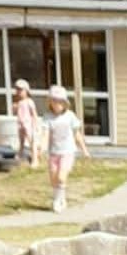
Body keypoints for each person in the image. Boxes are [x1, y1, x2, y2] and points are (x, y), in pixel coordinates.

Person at [44, 84, 89, 212]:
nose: (56, 104)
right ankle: (59, 196)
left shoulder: (70, 116)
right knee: (53, 177)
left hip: (67, 151)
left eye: (59, 101)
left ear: (64, 103)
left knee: (61, 176)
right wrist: (41, 147)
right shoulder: (48, 117)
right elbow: (45, 134)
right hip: (54, 152)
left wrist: (84, 150)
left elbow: (77, 134)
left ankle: (58, 201)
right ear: (50, 102)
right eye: (54, 101)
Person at [12, 79, 39, 167]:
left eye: (21, 90)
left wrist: (35, 124)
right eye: (17, 90)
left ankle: (35, 159)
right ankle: (19, 155)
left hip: (28, 124)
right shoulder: (19, 102)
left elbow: (34, 114)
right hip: (20, 124)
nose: (19, 92)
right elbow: (16, 113)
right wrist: (14, 108)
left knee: (31, 141)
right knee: (21, 141)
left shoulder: (29, 101)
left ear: (26, 91)